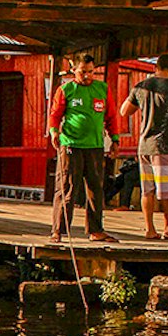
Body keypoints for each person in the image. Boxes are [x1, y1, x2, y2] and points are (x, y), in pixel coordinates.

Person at [120, 53, 168, 240]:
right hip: (165, 145)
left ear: (155, 68)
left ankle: (149, 229)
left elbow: (124, 111)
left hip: (144, 145)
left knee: (148, 189)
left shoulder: (141, 87)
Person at [47, 55, 115, 244]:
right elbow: (55, 115)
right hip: (71, 144)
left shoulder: (102, 89)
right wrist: (54, 132)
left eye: (91, 71)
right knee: (67, 188)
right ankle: (59, 231)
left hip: (95, 145)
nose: (87, 75)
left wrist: (115, 138)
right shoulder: (66, 89)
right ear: (74, 71)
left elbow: (111, 115)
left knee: (95, 188)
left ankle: (96, 230)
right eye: (83, 71)